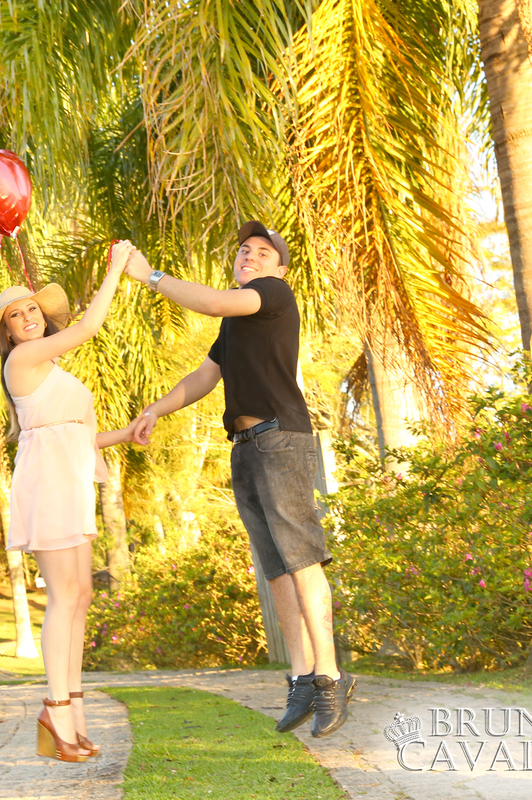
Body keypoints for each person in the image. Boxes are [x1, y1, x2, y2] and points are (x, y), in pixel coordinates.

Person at [124, 222, 356, 738]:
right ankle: (300, 678)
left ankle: (330, 676)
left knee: (302, 559)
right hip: (247, 449)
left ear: (279, 267)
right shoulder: (236, 322)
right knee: (276, 569)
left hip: (280, 441)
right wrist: (155, 411)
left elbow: (210, 302)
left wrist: (149, 275)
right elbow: (206, 376)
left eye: (262, 251)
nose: (250, 256)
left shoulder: (270, 294)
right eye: (243, 250)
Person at [0, 240, 142, 762]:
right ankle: (55, 713)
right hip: (47, 478)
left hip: (68, 475)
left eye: (31, 309)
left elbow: (77, 435)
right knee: (64, 596)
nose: (26, 317)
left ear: (41, 318)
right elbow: (90, 328)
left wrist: (126, 435)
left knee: (82, 594)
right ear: (8, 331)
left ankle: (74, 719)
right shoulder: (23, 359)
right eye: (15, 314)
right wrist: (117, 268)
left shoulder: (55, 374)